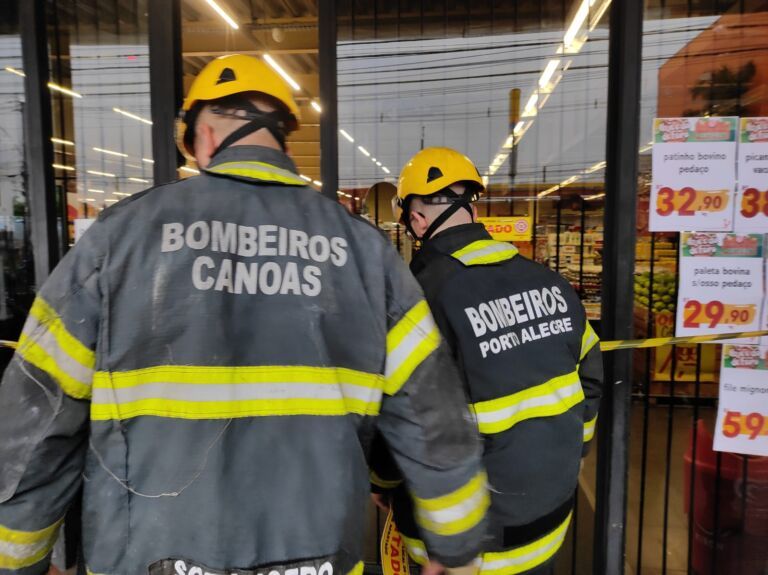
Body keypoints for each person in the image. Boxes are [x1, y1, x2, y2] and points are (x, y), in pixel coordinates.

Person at [0, 56, 489, 575]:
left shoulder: (118, 240)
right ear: (283, 140)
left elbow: (38, 420)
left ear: (204, 136)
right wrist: (456, 549)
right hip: (317, 557)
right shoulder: (367, 256)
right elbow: (434, 419)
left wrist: (18, 561)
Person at [370, 147, 603, 575]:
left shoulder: (418, 299)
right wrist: (575, 446)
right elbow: (591, 374)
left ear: (415, 220)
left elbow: (402, 415)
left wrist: (382, 482)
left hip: (466, 549)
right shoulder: (549, 282)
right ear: (473, 207)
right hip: (548, 527)